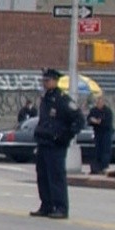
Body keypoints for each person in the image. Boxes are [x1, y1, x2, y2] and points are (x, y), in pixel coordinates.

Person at [31, 67, 81, 219]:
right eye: (44, 81)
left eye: (47, 80)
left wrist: (64, 137)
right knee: (43, 176)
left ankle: (60, 207)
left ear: (55, 81)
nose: (45, 83)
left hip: (56, 146)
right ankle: (46, 205)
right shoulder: (45, 99)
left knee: (56, 177)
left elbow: (79, 120)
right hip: (44, 143)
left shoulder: (62, 100)